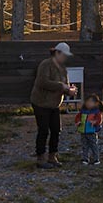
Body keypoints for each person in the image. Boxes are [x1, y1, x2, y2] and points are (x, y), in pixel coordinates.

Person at [30, 42, 77, 170]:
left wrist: (69, 90)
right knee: (44, 129)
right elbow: (42, 82)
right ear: (57, 53)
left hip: (54, 104)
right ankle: (41, 157)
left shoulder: (62, 68)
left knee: (56, 129)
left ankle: (52, 155)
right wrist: (61, 86)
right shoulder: (46, 64)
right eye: (64, 55)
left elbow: (65, 84)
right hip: (41, 102)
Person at [75, 94, 103, 165]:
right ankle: (85, 159)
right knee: (84, 146)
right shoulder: (82, 111)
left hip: (92, 131)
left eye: (90, 102)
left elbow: (99, 120)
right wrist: (78, 122)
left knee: (94, 145)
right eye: (87, 102)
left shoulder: (97, 112)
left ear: (96, 103)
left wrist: (95, 122)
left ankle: (96, 159)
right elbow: (77, 117)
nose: (88, 103)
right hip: (83, 131)